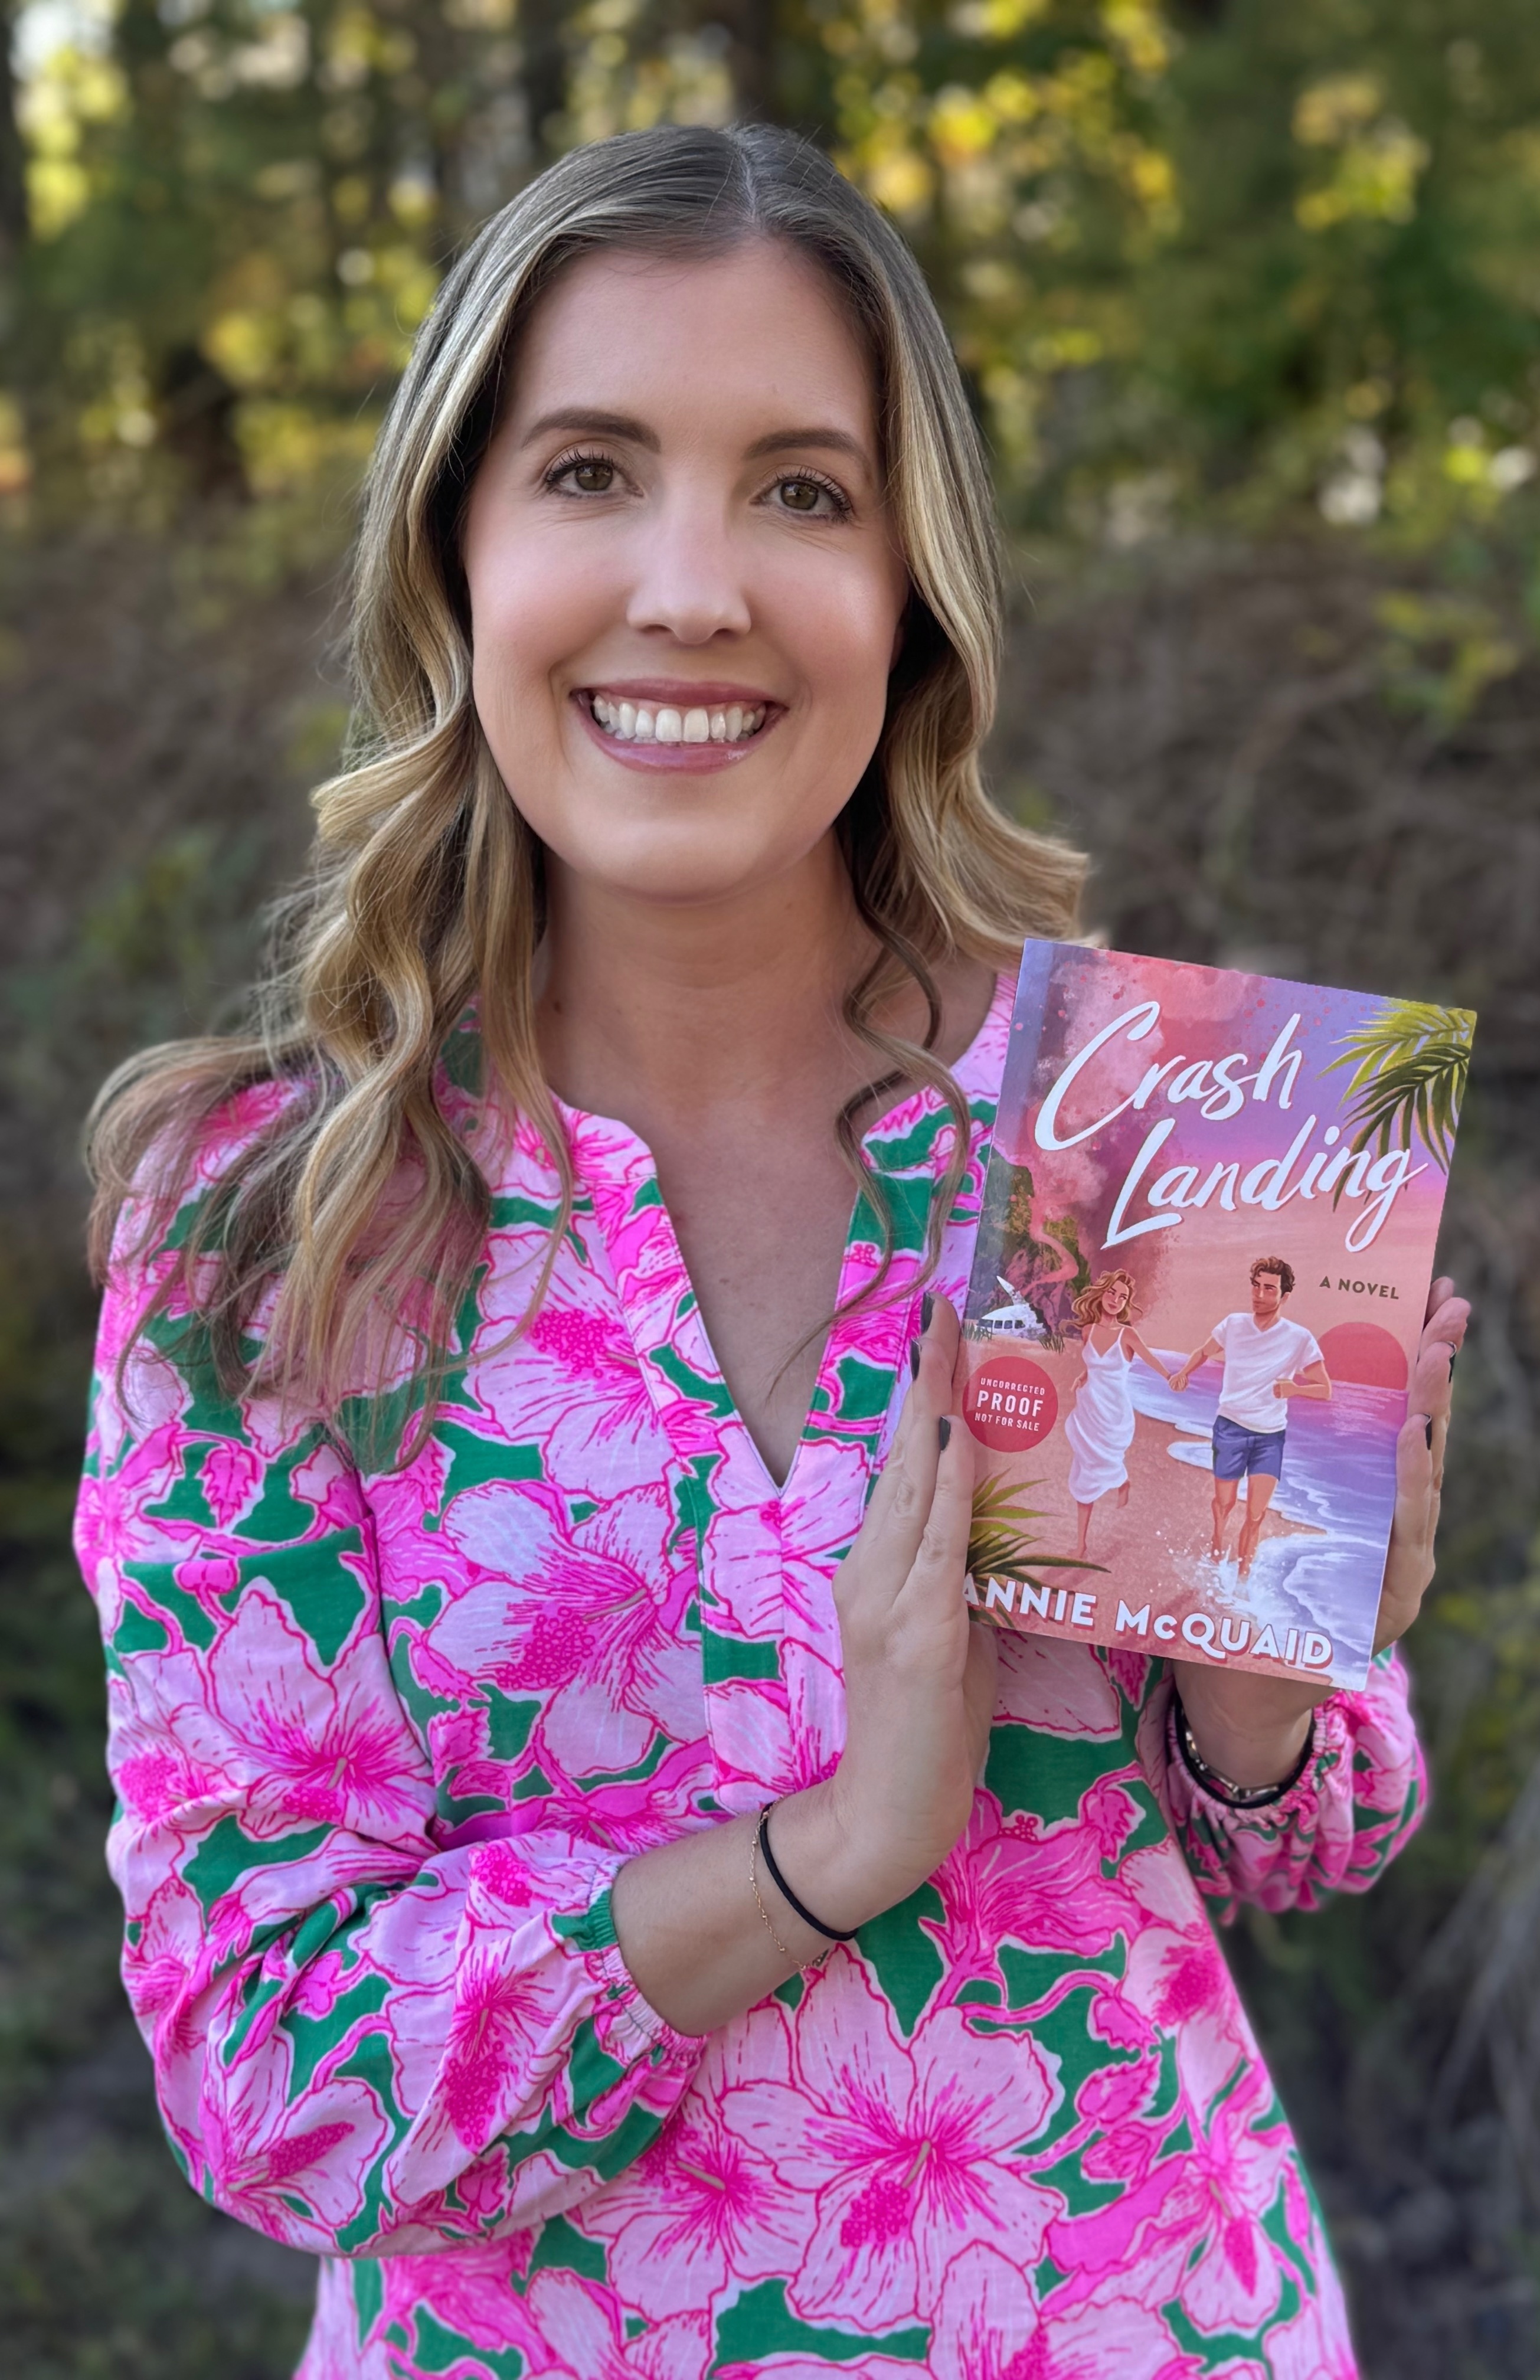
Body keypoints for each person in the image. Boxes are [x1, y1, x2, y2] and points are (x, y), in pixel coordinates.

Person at [76, 125, 1469, 2379]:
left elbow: (1297, 1838)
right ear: (456, 551)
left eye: (802, 490)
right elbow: (267, 2068)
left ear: (913, 583)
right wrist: (828, 1846)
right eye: (594, 469)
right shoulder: (262, 1227)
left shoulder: (1133, 1115)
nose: (693, 583)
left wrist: (1272, 1667)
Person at [1172, 1256, 1332, 1575]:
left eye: (1269, 1289)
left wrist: (1294, 1389)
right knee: (1225, 1505)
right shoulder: (1233, 1324)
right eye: (1256, 1286)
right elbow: (1204, 1351)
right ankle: (1218, 1550)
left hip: (1270, 1437)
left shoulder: (1299, 1338)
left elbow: (1324, 1388)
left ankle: (1243, 1579)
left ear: (1285, 1296)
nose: (1259, 1295)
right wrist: (1184, 1373)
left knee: (1256, 1515)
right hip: (1230, 1427)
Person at [1062, 1268, 1178, 1555]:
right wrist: (1082, 1377)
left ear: (1127, 1304)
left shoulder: (1128, 1334)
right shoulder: (1088, 1330)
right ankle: (1080, 1544)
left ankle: (1121, 1480)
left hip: (1113, 1414)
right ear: (1102, 1293)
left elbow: (1149, 1357)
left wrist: (1169, 1377)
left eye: (1122, 1297)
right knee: (1084, 1472)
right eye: (1112, 1292)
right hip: (1088, 1409)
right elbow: (1094, 1367)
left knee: (1104, 1462)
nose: (1115, 1299)